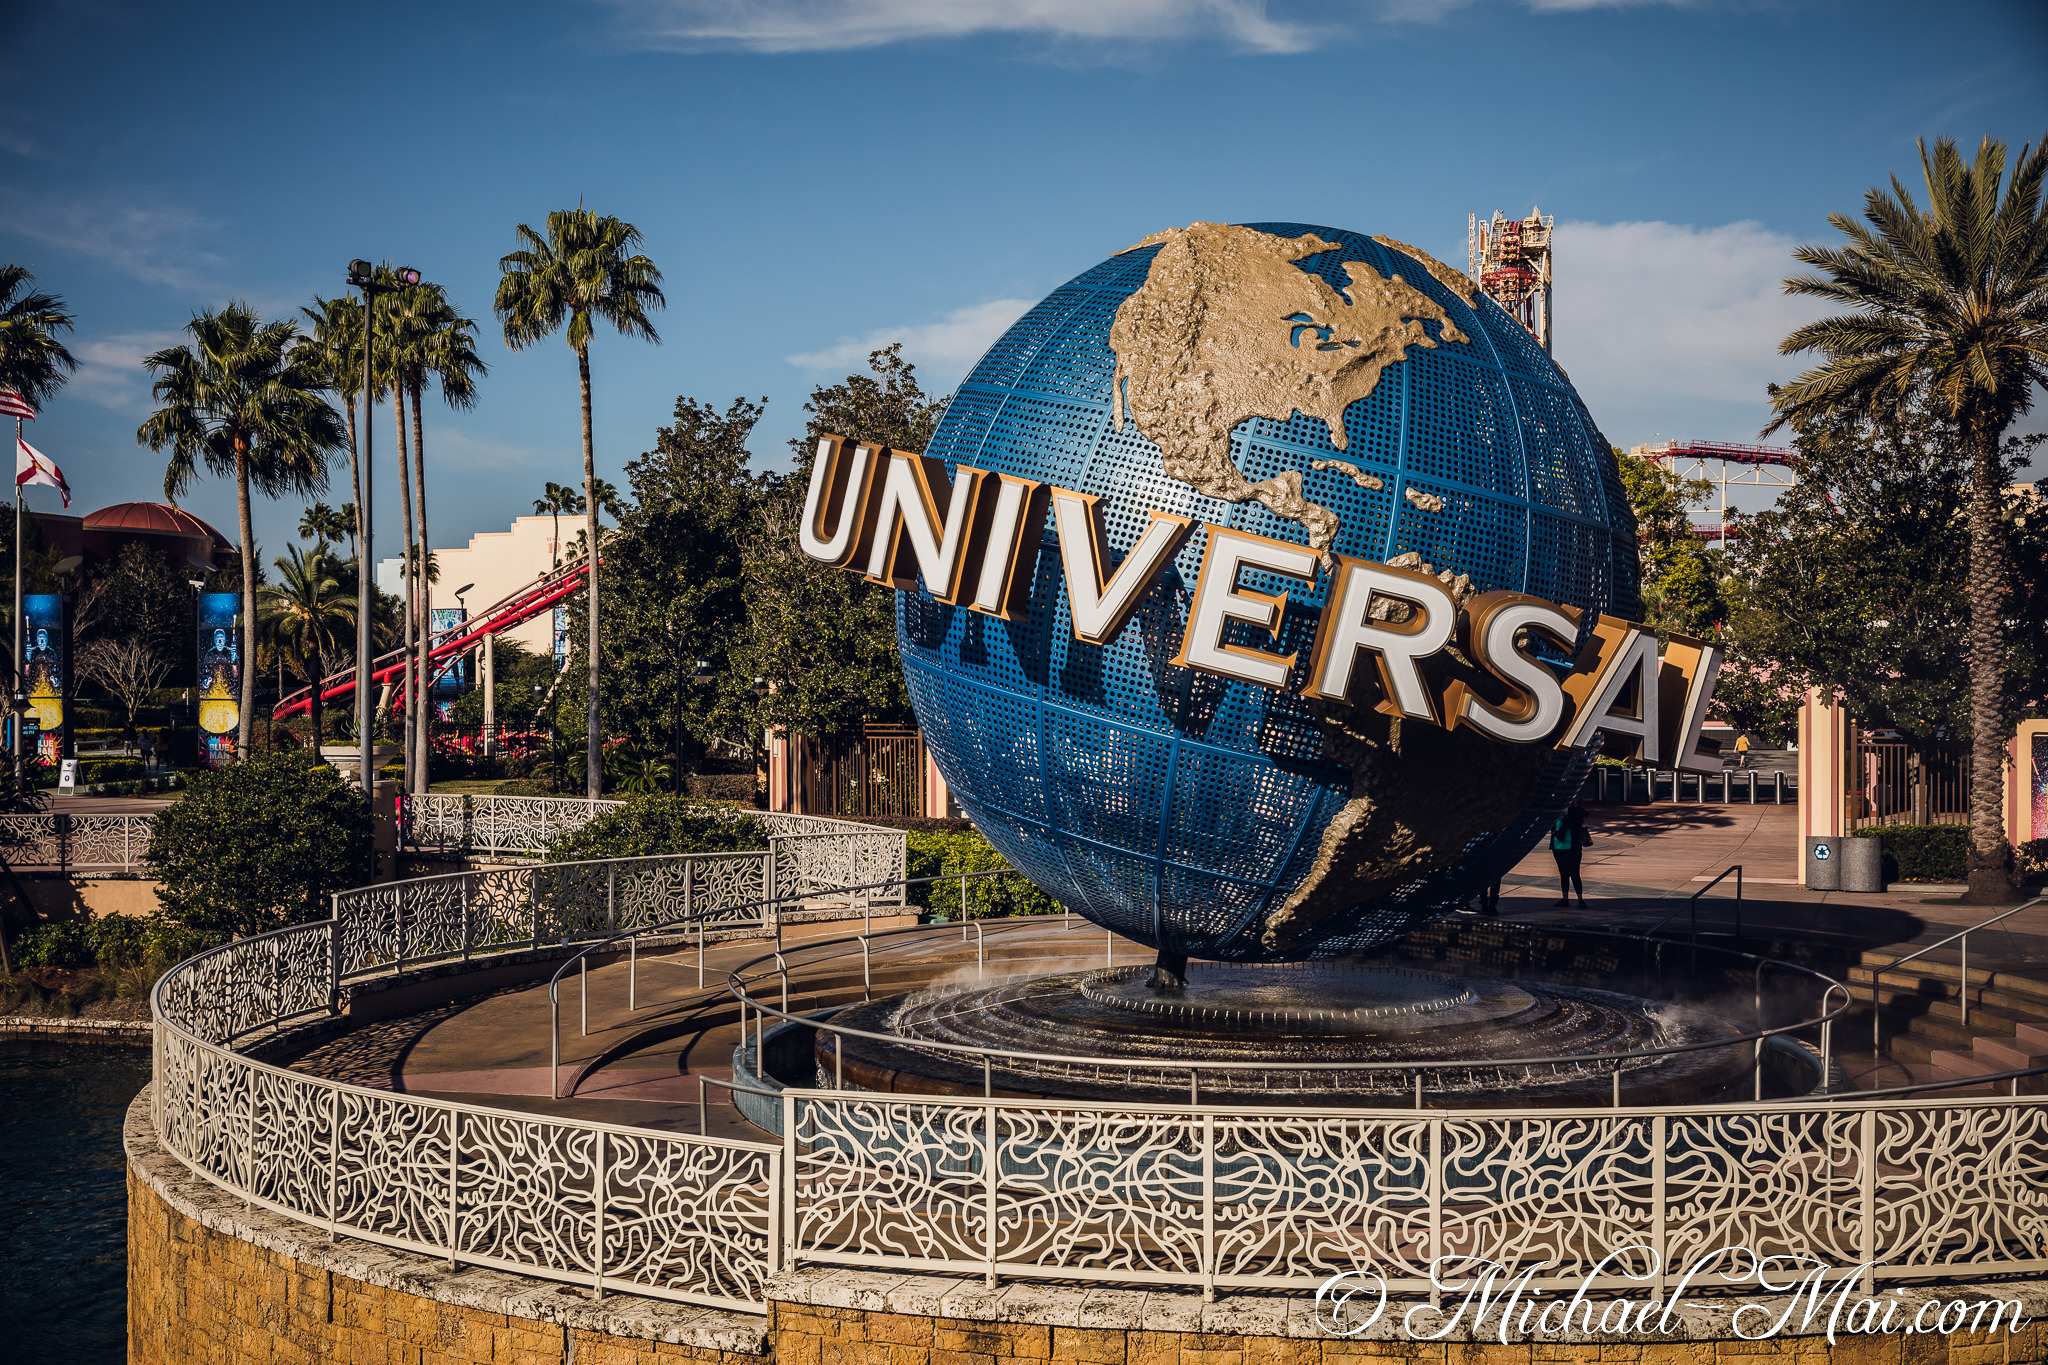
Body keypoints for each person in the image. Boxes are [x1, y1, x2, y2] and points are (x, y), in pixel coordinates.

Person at [1550, 802, 1590, 908]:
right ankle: (1565, 898)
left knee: (1575, 874)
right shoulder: (1555, 813)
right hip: (1558, 848)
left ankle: (1580, 899)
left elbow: (1584, 815)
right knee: (1564, 874)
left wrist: (1570, 812)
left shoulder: (1574, 813)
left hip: (1573, 848)